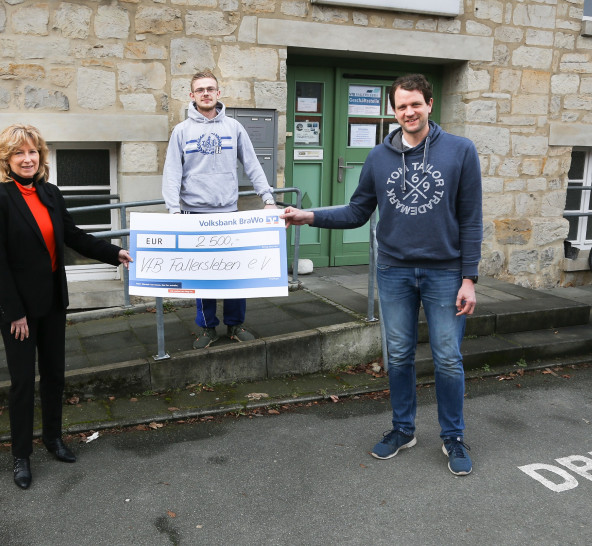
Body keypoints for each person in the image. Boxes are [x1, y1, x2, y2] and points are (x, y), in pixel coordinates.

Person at [281, 74, 482, 476]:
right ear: (393, 111)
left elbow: (471, 219)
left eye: (416, 104)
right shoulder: (378, 158)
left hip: (445, 272)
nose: (409, 112)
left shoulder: (460, 151)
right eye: (401, 106)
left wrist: (469, 278)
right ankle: (403, 429)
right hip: (394, 271)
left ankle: (453, 437)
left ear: (429, 105)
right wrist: (308, 215)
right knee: (400, 355)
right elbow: (357, 212)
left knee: (447, 358)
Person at [0, 124, 132, 489]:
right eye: (19, 153)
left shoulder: (50, 193)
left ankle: (53, 439)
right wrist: (14, 311)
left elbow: (74, 236)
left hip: (52, 302)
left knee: (54, 376)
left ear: (40, 156)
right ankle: (21, 456)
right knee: (21, 383)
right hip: (18, 310)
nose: (27, 158)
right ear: (6, 159)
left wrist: (115, 253)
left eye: (33, 152)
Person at [162, 70, 278, 349]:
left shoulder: (234, 128)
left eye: (210, 89)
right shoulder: (182, 131)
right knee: (203, 277)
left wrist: (268, 197)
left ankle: (235, 325)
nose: (205, 93)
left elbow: (252, 164)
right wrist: (173, 210)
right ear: (192, 96)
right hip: (193, 214)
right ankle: (207, 328)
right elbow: (172, 172)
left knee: (234, 274)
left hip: (228, 213)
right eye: (200, 89)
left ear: (218, 93)